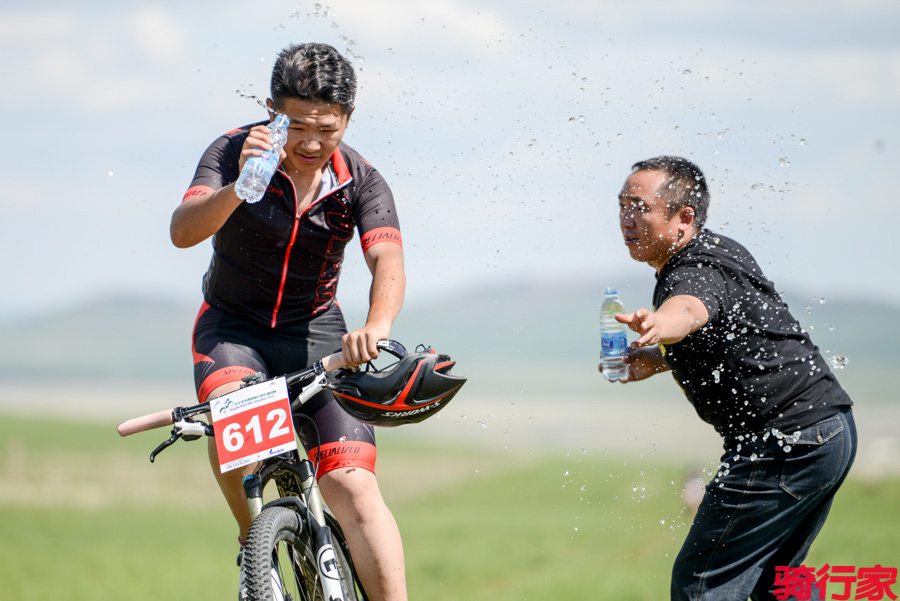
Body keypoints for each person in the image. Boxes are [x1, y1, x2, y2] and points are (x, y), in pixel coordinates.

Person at [171, 43, 407, 601]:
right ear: (271, 110)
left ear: (348, 118)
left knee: (355, 489)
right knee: (233, 423)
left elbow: (387, 260)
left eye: (326, 129)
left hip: (318, 336)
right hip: (232, 330)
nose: (310, 143)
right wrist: (240, 187)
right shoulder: (232, 151)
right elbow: (183, 231)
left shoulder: (362, 180)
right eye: (296, 125)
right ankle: (255, 545)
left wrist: (376, 325)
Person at [602, 156, 857, 601]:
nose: (627, 218)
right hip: (827, 430)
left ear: (683, 218)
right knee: (777, 582)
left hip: (786, 440)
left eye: (640, 207)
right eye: (622, 205)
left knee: (702, 581)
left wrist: (660, 324)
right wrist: (660, 358)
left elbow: (689, 309)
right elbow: (729, 335)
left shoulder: (693, 271)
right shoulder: (721, 250)